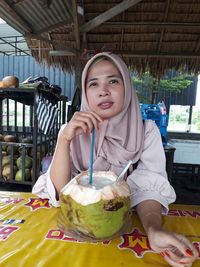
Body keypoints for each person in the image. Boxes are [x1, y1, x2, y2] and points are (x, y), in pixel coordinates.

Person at [33, 52, 198, 267]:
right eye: (93, 84)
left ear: (127, 88)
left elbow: (149, 187)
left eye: (113, 81)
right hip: (76, 235)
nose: (103, 91)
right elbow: (60, 192)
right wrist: (64, 139)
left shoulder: (146, 132)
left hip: (125, 234)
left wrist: (154, 230)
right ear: (85, 93)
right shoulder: (72, 131)